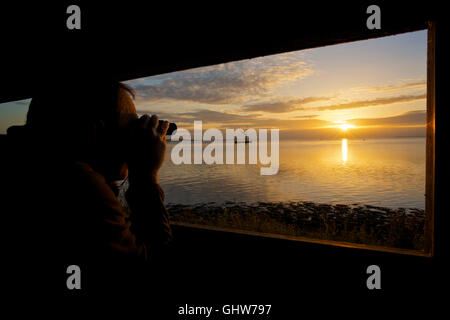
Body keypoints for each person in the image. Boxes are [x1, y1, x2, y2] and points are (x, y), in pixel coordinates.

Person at [4, 79, 173, 295]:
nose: (134, 138)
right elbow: (155, 269)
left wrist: (110, 168)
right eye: (129, 128)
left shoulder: (28, 159)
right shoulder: (76, 183)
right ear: (97, 132)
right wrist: (146, 176)